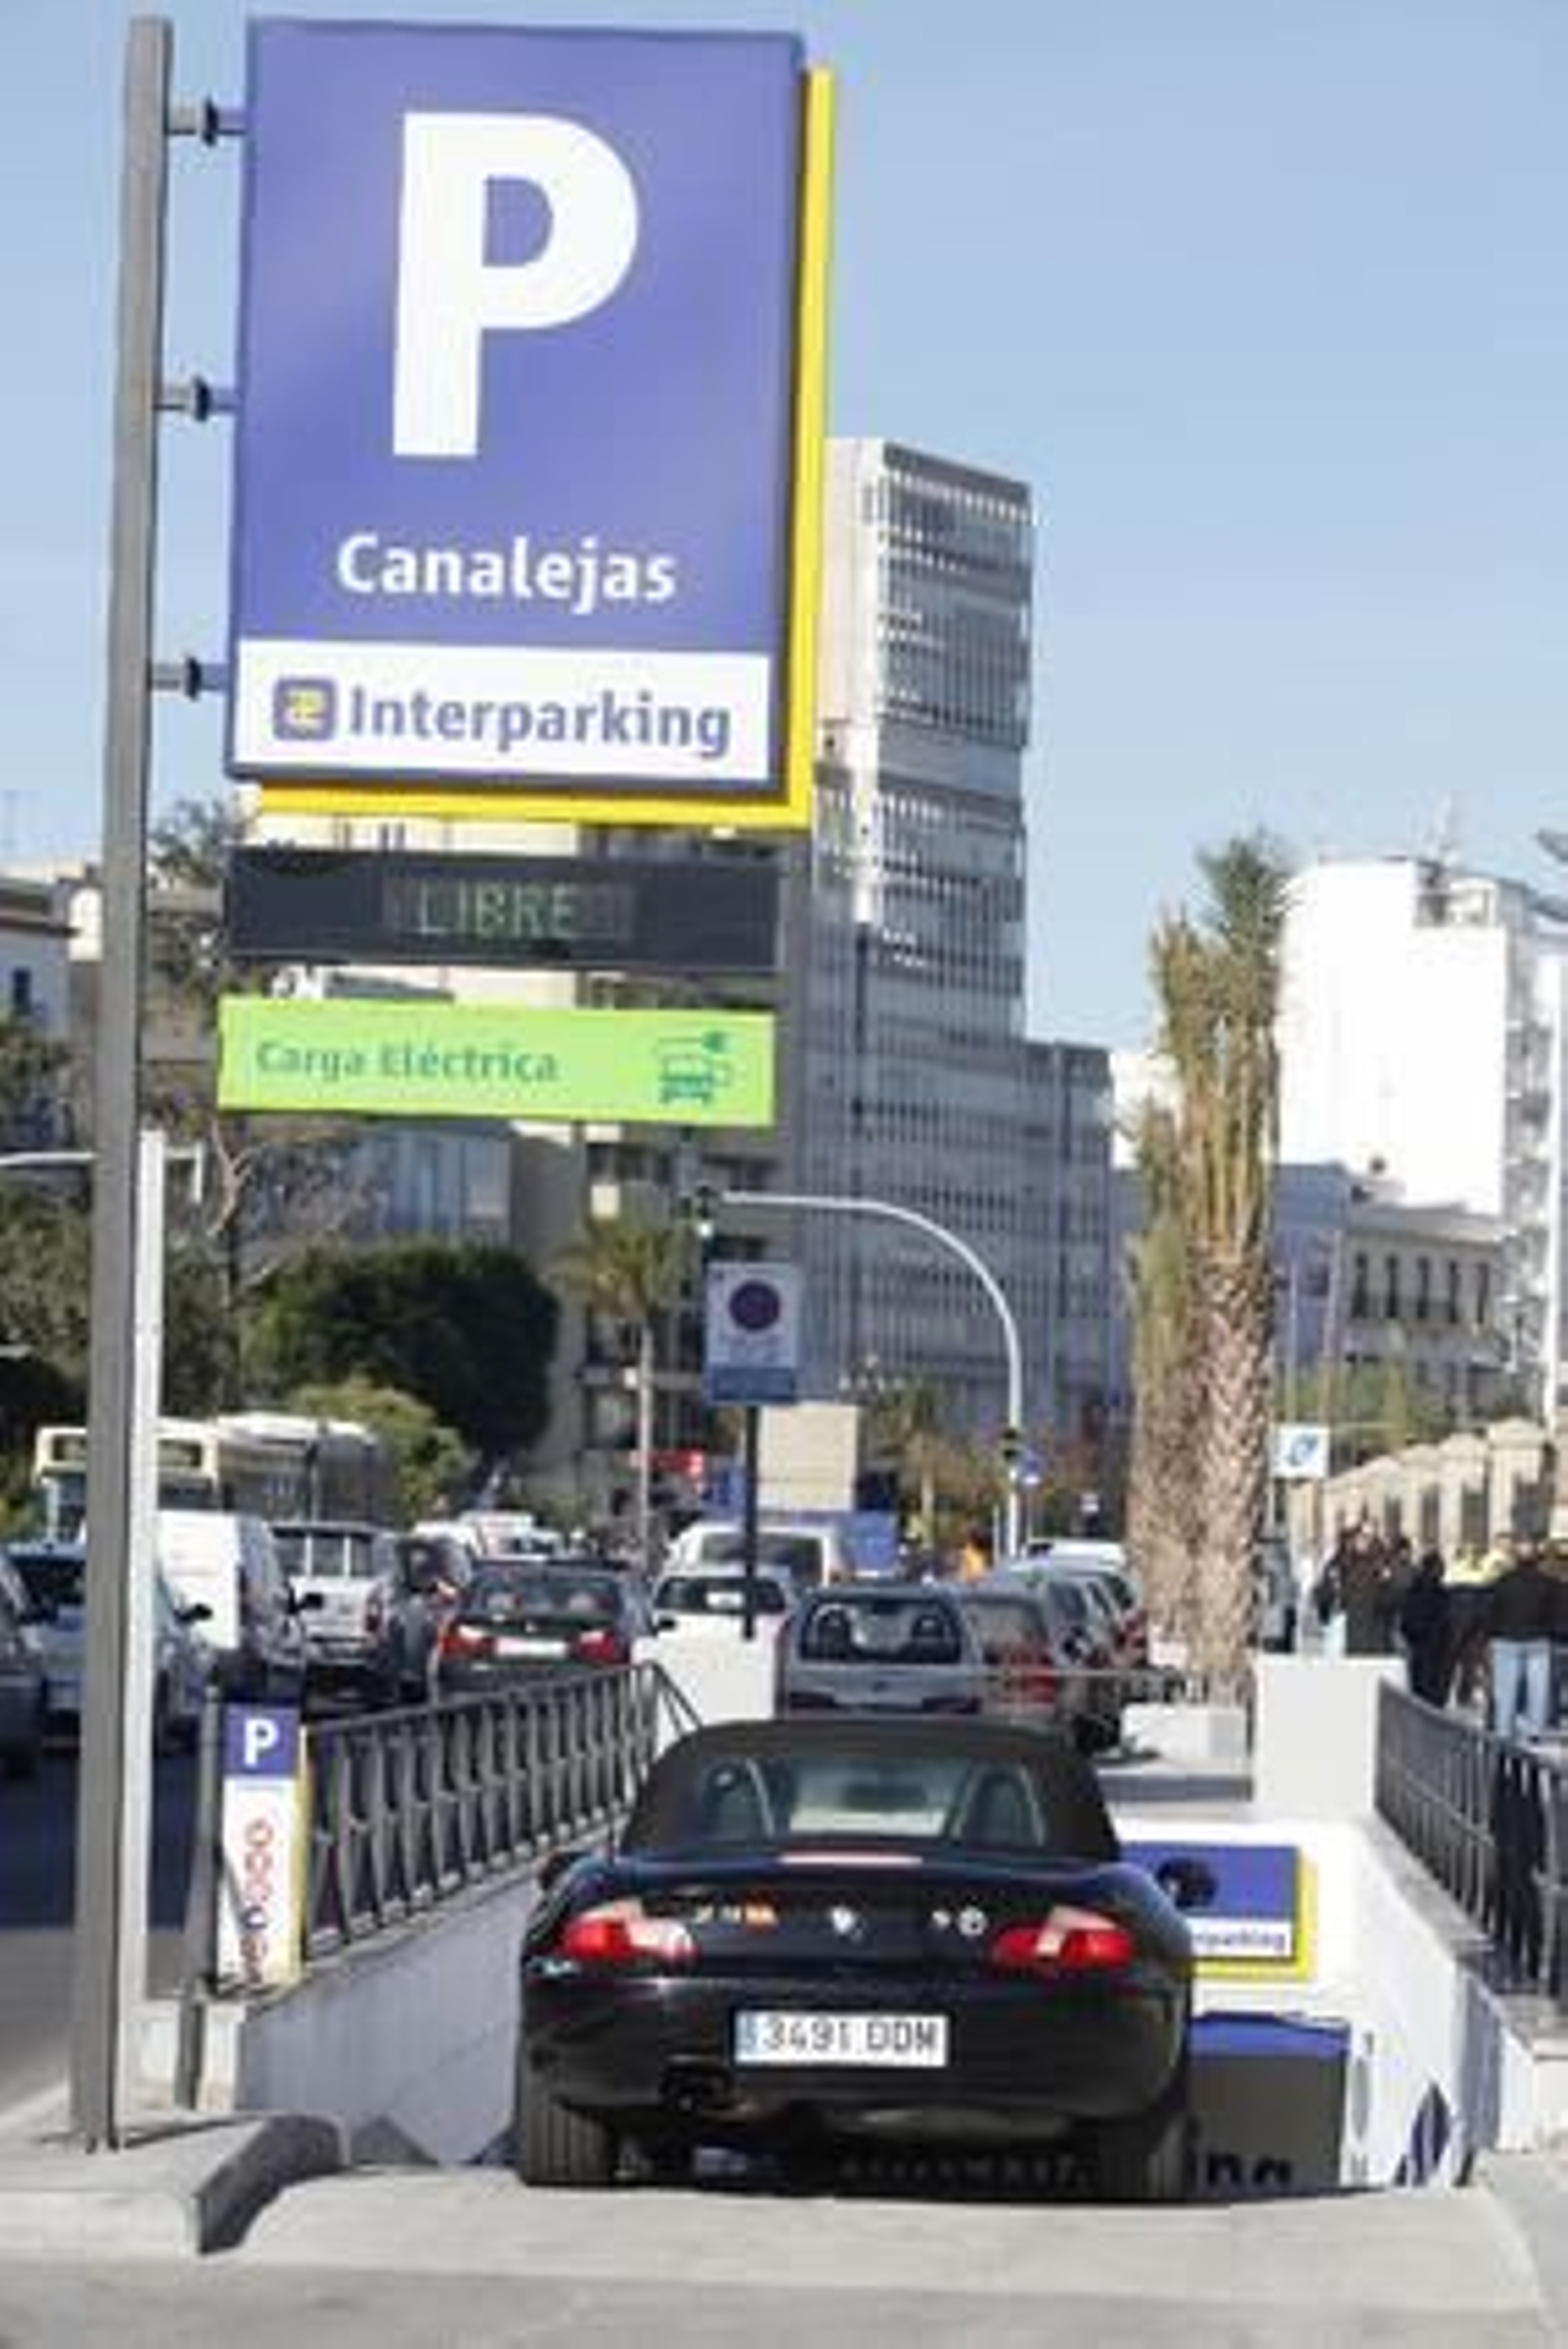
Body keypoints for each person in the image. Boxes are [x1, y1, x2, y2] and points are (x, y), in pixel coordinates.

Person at [1484, 1530, 1557, 1743]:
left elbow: (1491, 1612)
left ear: (1514, 1557)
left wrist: (1490, 1636)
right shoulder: (1547, 1583)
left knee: (1505, 1692)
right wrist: (1549, 1631)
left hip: (1506, 1640)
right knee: (1538, 1691)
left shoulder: (1502, 1582)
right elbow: (1555, 1613)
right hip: (1538, 1640)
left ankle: (1504, 1731)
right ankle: (1535, 1732)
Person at [1398, 1547, 1449, 1705]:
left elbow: (1405, 1620)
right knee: (1433, 1689)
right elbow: (1447, 1622)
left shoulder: (1413, 1589)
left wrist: (1410, 1636)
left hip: (1418, 1645)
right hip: (1435, 1647)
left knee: (1419, 1686)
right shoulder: (1441, 1593)